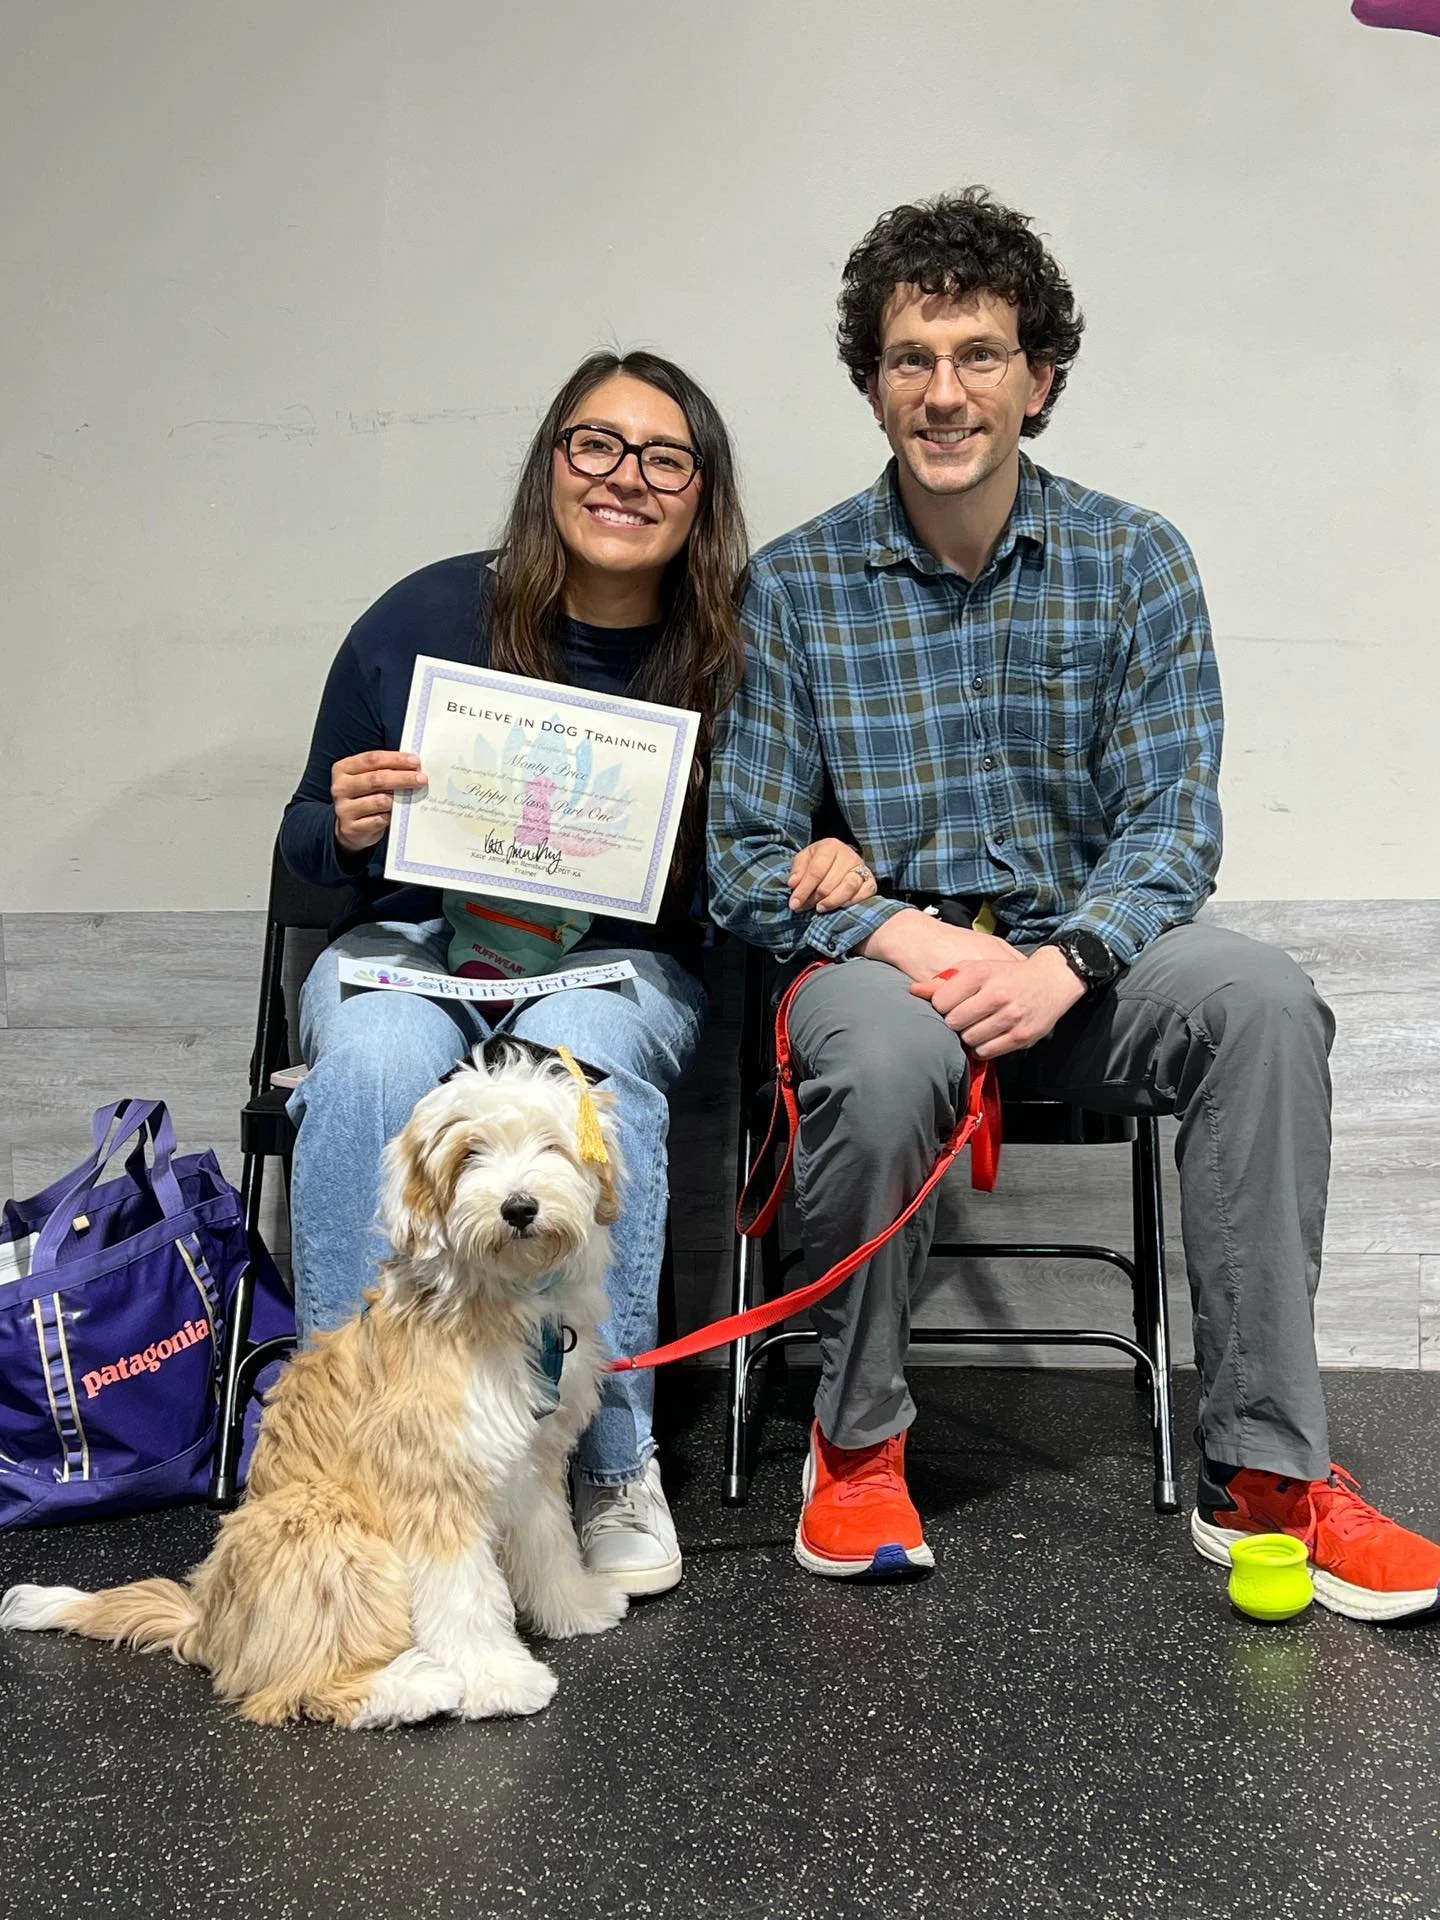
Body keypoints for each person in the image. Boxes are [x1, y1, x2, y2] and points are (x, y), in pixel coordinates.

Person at [708, 190, 1440, 1619]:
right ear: (871, 381)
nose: (945, 391)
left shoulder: (1137, 560)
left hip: (1086, 973)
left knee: (1264, 1004)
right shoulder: (792, 589)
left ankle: (1271, 1477)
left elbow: (1174, 831)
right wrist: (901, 931)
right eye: (912, 358)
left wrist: (1059, 966)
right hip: (894, 972)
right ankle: (854, 1451)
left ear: (1039, 379)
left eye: (980, 354)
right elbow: (745, 859)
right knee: (879, 1045)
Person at [280, 348, 875, 1598]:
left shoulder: (736, 656)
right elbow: (301, 847)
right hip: (409, 947)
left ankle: (611, 1463)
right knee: (375, 1066)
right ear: (551, 461)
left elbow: (771, 858)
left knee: (583, 1080)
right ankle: (340, 1459)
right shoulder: (422, 619)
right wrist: (339, 821)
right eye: (596, 445)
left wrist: (827, 850)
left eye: (668, 458)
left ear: (702, 493)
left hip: (613, 963)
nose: (627, 479)